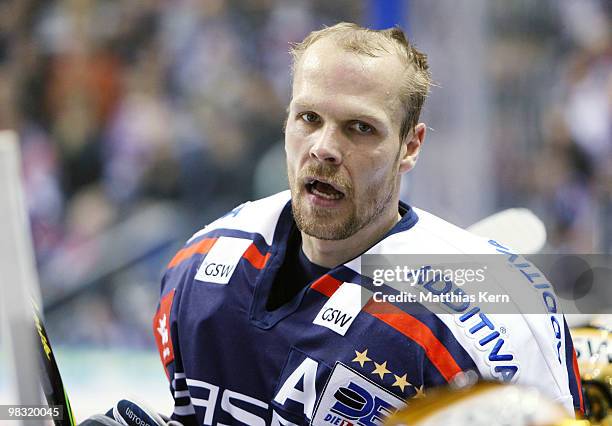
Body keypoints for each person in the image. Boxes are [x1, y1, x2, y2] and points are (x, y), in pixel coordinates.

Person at [153, 23, 584, 425]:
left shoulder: (487, 320)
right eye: (309, 118)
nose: (324, 149)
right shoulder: (201, 266)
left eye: (360, 128)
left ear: (410, 146)